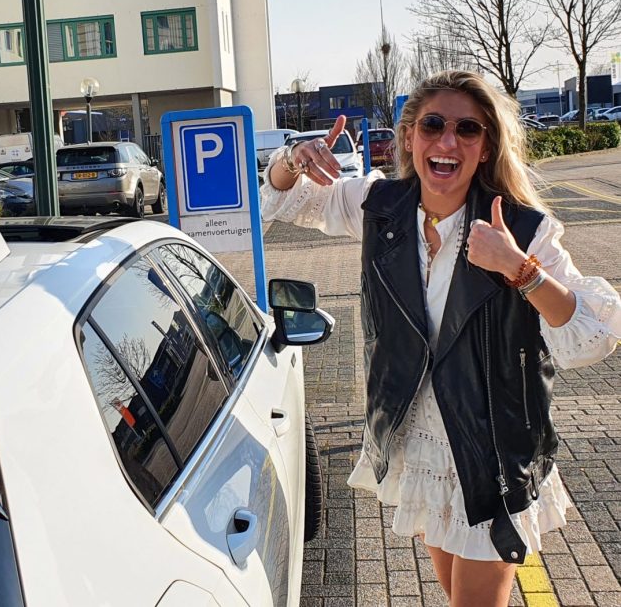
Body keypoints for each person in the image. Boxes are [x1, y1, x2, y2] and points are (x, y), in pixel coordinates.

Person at [261, 70, 621, 606]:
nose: (447, 141)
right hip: (420, 448)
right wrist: (293, 158)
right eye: (433, 124)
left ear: (485, 147)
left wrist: (520, 271)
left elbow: (593, 337)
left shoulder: (522, 230)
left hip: (491, 455)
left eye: (467, 130)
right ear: (410, 138)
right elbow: (283, 202)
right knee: (457, 595)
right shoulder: (382, 208)